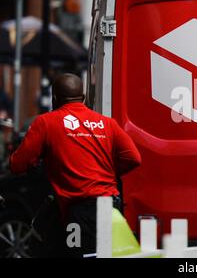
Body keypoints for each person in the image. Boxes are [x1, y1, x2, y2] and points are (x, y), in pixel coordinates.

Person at [9, 73, 142, 257]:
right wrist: (108, 172)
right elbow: (134, 158)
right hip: (111, 209)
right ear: (84, 97)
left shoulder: (46, 123)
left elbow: (17, 164)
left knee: (73, 252)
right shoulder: (107, 123)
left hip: (79, 213)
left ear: (54, 98)